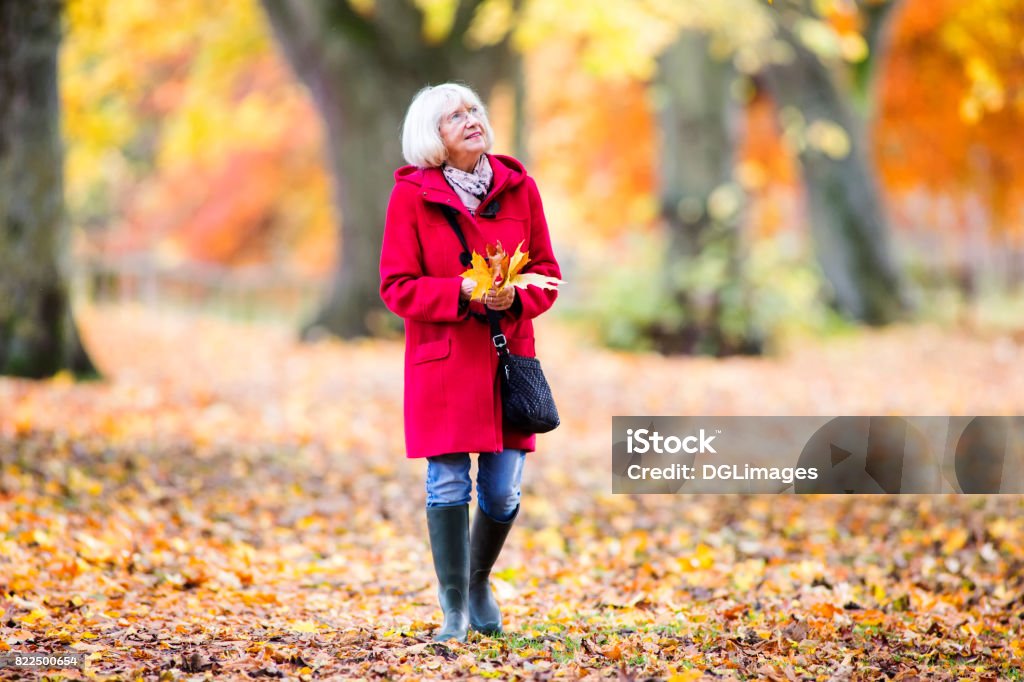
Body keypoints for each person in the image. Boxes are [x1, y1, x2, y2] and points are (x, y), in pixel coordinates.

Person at [379, 83, 561, 642]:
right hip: (445, 362)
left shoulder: (520, 188)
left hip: (508, 361)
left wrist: (517, 298)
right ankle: (454, 607)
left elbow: (548, 273)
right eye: (453, 116)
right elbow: (395, 286)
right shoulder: (412, 197)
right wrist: (461, 294)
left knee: (503, 489)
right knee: (448, 481)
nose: (469, 120)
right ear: (431, 136)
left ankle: (479, 579)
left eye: (474, 110)